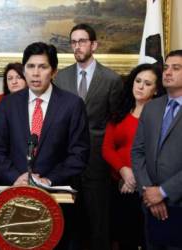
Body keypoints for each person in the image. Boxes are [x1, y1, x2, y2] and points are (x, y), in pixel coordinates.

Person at [0, 42, 90, 248]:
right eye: (31, 66)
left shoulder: (72, 104)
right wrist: (16, 177)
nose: (36, 73)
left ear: (53, 71)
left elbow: (79, 154)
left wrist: (48, 180)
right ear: (24, 69)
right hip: (16, 200)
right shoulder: (7, 105)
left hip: (57, 202)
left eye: (42, 67)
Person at [54, 23, 122, 250]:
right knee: (69, 223)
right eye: (73, 42)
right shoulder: (60, 79)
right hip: (66, 163)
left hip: (97, 162)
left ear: (94, 44)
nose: (77, 46)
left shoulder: (111, 79)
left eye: (82, 41)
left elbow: (115, 123)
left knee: (98, 223)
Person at [102, 63, 163, 250]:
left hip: (148, 187)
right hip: (121, 185)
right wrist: (124, 171)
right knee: (124, 238)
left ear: (156, 90)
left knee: (147, 239)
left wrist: (136, 177)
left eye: (147, 83)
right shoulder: (120, 112)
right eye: (138, 81)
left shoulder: (161, 115)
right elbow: (107, 148)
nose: (140, 86)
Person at [132, 50, 182, 250]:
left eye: (176, 68)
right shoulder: (152, 107)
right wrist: (149, 192)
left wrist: (163, 191)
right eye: (166, 67)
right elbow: (138, 152)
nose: (168, 72)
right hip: (151, 206)